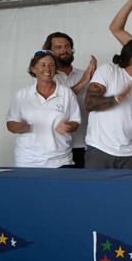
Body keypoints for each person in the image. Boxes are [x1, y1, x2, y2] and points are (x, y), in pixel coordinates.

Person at [84, 40, 132, 169]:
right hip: (99, 149)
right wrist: (118, 98)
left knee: (128, 190)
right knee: (95, 189)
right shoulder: (109, 71)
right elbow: (89, 104)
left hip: (128, 153)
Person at [6, 50, 81, 167]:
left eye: (52, 65)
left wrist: (68, 126)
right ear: (33, 69)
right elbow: (10, 124)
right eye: (43, 65)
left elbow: (75, 121)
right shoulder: (21, 95)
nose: (48, 68)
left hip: (60, 160)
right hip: (27, 161)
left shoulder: (67, 93)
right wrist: (20, 127)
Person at [42, 32, 96, 168]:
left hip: (86, 142)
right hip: (55, 147)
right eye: (58, 47)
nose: (64, 50)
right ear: (49, 51)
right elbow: (54, 101)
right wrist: (83, 81)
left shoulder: (84, 73)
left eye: (67, 46)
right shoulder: (44, 77)